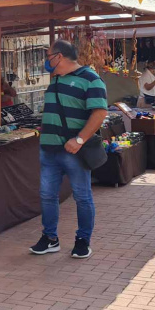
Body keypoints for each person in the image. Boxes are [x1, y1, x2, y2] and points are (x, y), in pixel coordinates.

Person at [30, 39, 107, 259]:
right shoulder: (54, 80)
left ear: (59, 57)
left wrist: (80, 140)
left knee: (82, 196)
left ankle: (83, 240)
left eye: (48, 56)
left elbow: (99, 113)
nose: (46, 60)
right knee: (47, 195)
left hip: (73, 150)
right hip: (49, 149)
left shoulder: (91, 79)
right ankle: (50, 238)